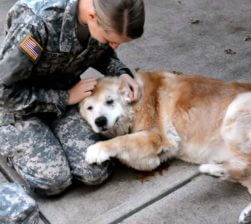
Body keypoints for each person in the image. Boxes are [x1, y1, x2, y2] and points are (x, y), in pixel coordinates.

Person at [0, 0, 145, 196]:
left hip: (67, 94)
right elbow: (3, 91)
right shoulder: (35, 25)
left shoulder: (98, 13)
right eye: (110, 40)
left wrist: (122, 72)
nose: (114, 46)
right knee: (54, 181)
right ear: (92, 16)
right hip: (17, 108)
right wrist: (65, 97)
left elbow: (99, 52)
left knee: (94, 171)